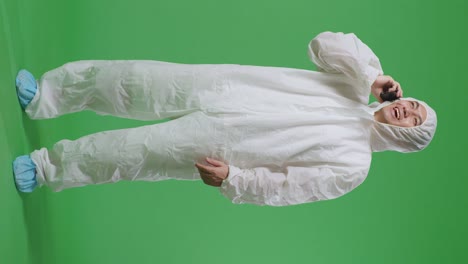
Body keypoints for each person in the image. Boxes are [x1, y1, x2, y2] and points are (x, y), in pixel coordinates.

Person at [12, 31, 437, 206]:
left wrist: (234, 179)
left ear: (405, 139)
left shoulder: (354, 166)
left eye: (413, 121)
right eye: (414, 105)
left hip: (222, 143)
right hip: (225, 86)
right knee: (134, 79)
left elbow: (292, 187)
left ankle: (46, 167)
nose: (408, 111)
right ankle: (50, 93)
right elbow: (323, 44)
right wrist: (373, 75)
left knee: (130, 153)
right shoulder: (355, 83)